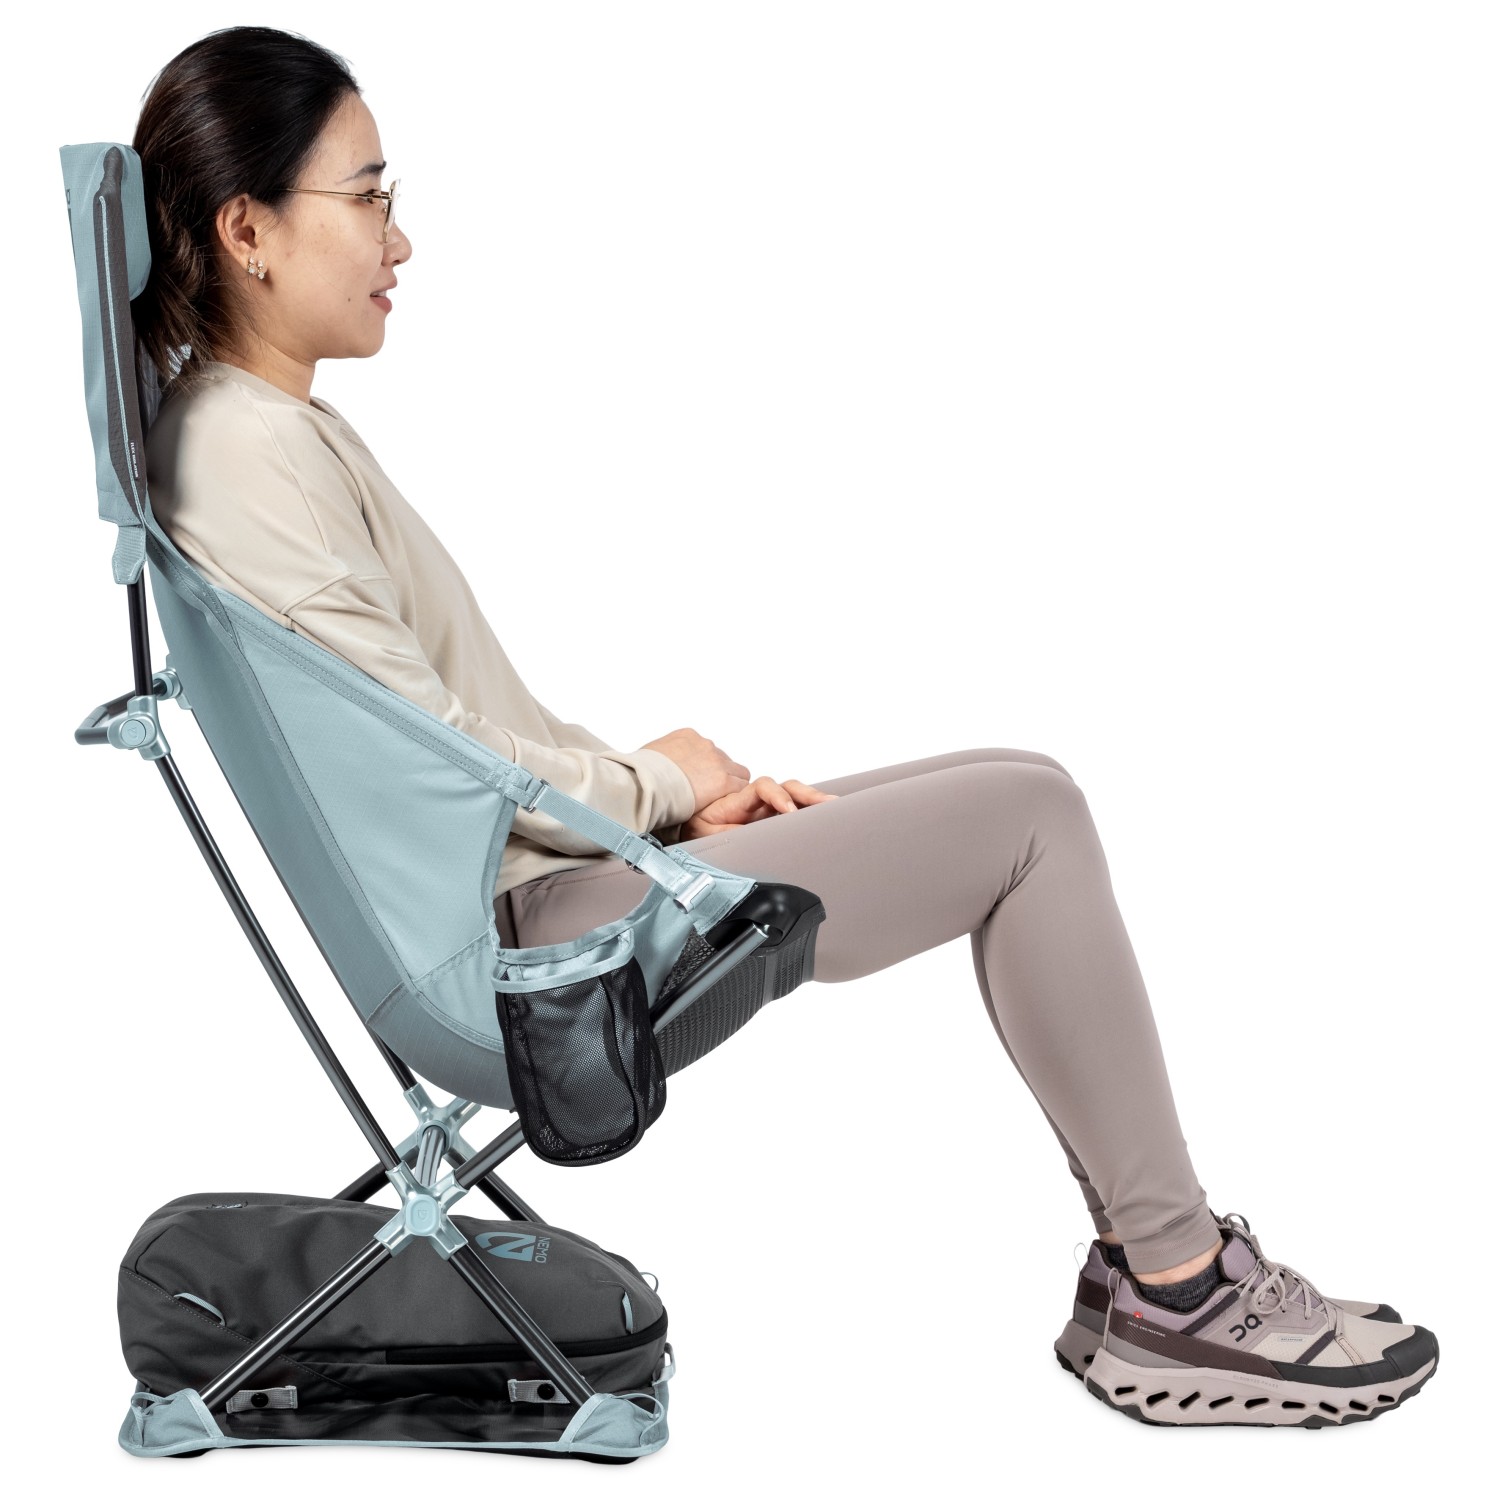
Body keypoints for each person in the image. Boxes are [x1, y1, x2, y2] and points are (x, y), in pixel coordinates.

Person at [133, 26, 1437, 1428]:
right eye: (369, 196)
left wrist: (669, 807)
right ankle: (1176, 1286)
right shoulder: (250, 452)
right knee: (1032, 823)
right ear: (249, 230)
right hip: (524, 960)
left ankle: (1152, 1271)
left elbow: (448, 735)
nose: (403, 238)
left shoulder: (264, 433)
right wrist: (652, 786)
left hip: (539, 890)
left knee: (1019, 784)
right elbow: (445, 760)